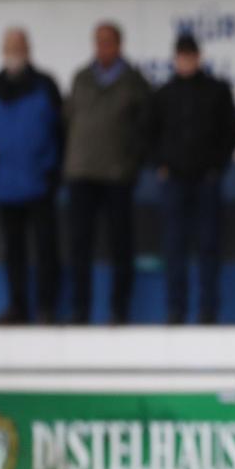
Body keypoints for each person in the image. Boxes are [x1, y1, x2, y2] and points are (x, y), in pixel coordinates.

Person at [64, 22, 151, 325]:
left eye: (109, 42)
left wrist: (132, 162)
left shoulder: (134, 81)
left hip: (117, 175)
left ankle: (119, 310)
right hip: (82, 172)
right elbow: (67, 123)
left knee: (120, 246)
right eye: (99, 42)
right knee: (79, 246)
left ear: (119, 44)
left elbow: (146, 128)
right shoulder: (81, 78)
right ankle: (80, 309)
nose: (103, 48)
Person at [151, 34, 235, 325]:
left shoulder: (216, 90)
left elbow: (231, 131)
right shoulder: (164, 93)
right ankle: (175, 310)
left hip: (206, 181)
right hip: (173, 181)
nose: (186, 60)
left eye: (190, 54)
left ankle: (207, 311)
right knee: (174, 247)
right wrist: (160, 164)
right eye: (181, 55)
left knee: (208, 247)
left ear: (198, 57)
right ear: (175, 58)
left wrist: (217, 167)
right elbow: (148, 133)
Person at [0, 27, 62, 324]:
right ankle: (17, 307)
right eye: (9, 45)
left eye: (19, 45)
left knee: (45, 249)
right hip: (6, 185)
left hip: (40, 182)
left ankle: (46, 307)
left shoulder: (45, 85)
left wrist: (52, 171)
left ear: (28, 48)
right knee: (13, 250)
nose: (14, 50)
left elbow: (59, 131)